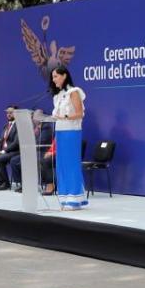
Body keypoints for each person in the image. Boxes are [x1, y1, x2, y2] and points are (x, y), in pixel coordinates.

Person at [50, 66, 87, 210]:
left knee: (71, 164)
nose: (53, 80)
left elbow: (80, 113)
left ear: (64, 76)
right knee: (62, 165)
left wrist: (64, 116)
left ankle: (74, 197)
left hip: (72, 132)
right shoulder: (57, 96)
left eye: (56, 76)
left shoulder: (74, 92)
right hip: (60, 131)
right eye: (52, 77)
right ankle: (65, 197)